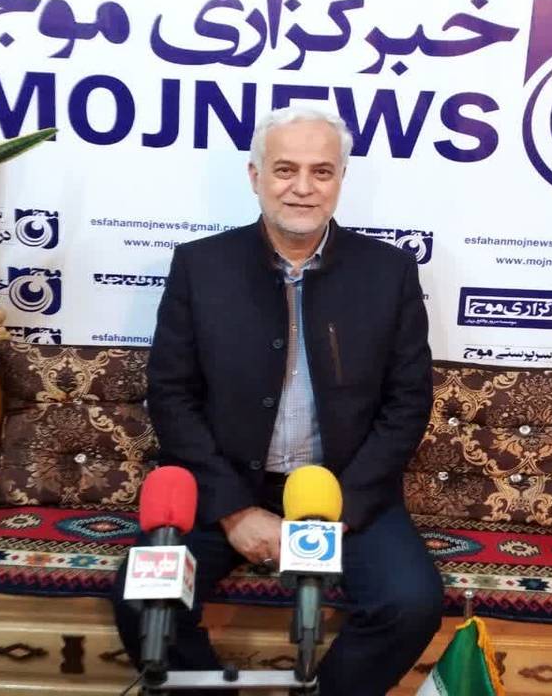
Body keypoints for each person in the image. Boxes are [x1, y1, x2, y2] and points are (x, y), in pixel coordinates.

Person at [112, 106, 442, 695]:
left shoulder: (388, 271)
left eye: (322, 171)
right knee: (141, 599)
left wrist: (341, 509)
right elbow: (172, 395)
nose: (303, 187)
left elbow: (407, 403)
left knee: (410, 604)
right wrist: (235, 512)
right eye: (285, 169)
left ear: (340, 179)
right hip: (223, 487)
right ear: (255, 175)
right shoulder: (200, 265)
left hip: (345, 488)